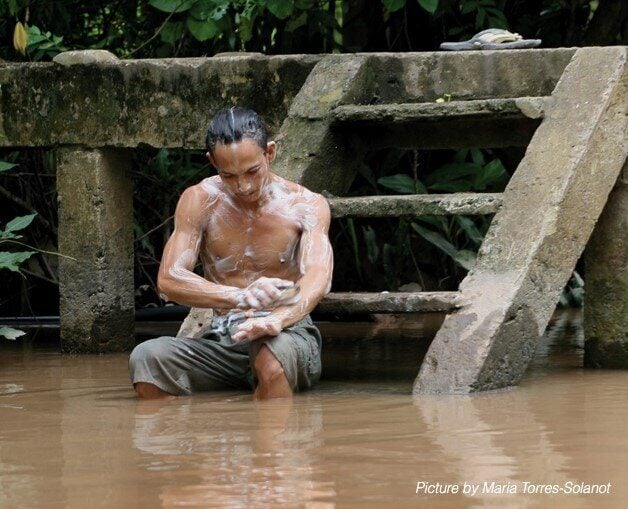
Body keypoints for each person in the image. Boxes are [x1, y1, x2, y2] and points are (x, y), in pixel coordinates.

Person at [129, 106, 333, 400]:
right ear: (212, 162)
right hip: (224, 334)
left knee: (271, 361)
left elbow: (318, 277)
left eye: (252, 171)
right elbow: (169, 279)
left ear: (270, 153)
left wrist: (279, 317)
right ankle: (195, 440)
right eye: (229, 175)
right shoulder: (200, 200)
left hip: (286, 332)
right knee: (147, 360)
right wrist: (239, 296)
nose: (243, 186)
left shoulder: (306, 204)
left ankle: (268, 443)